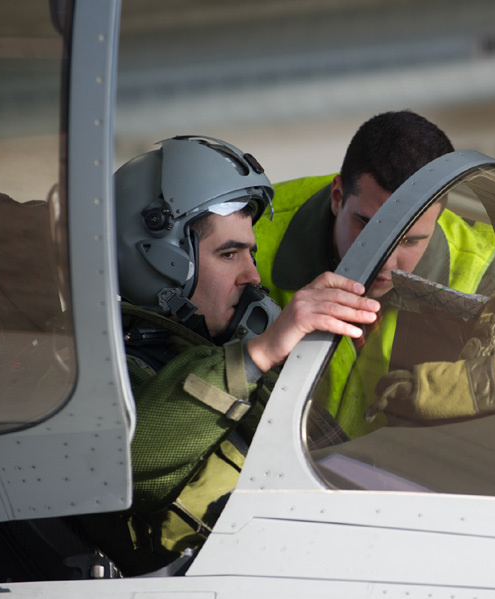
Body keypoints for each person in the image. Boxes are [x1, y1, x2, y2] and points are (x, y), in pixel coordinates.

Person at [81, 135, 379, 576]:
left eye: (249, 252)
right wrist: (261, 351)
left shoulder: (218, 349)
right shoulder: (100, 366)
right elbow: (130, 461)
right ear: (158, 260)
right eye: (229, 253)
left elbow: (335, 465)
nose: (253, 275)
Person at [254, 110, 495, 437]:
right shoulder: (246, 235)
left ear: (440, 215)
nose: (386, 262)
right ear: (338, 196)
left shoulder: (485, 269)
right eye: (368, 229)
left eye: (411, 240)